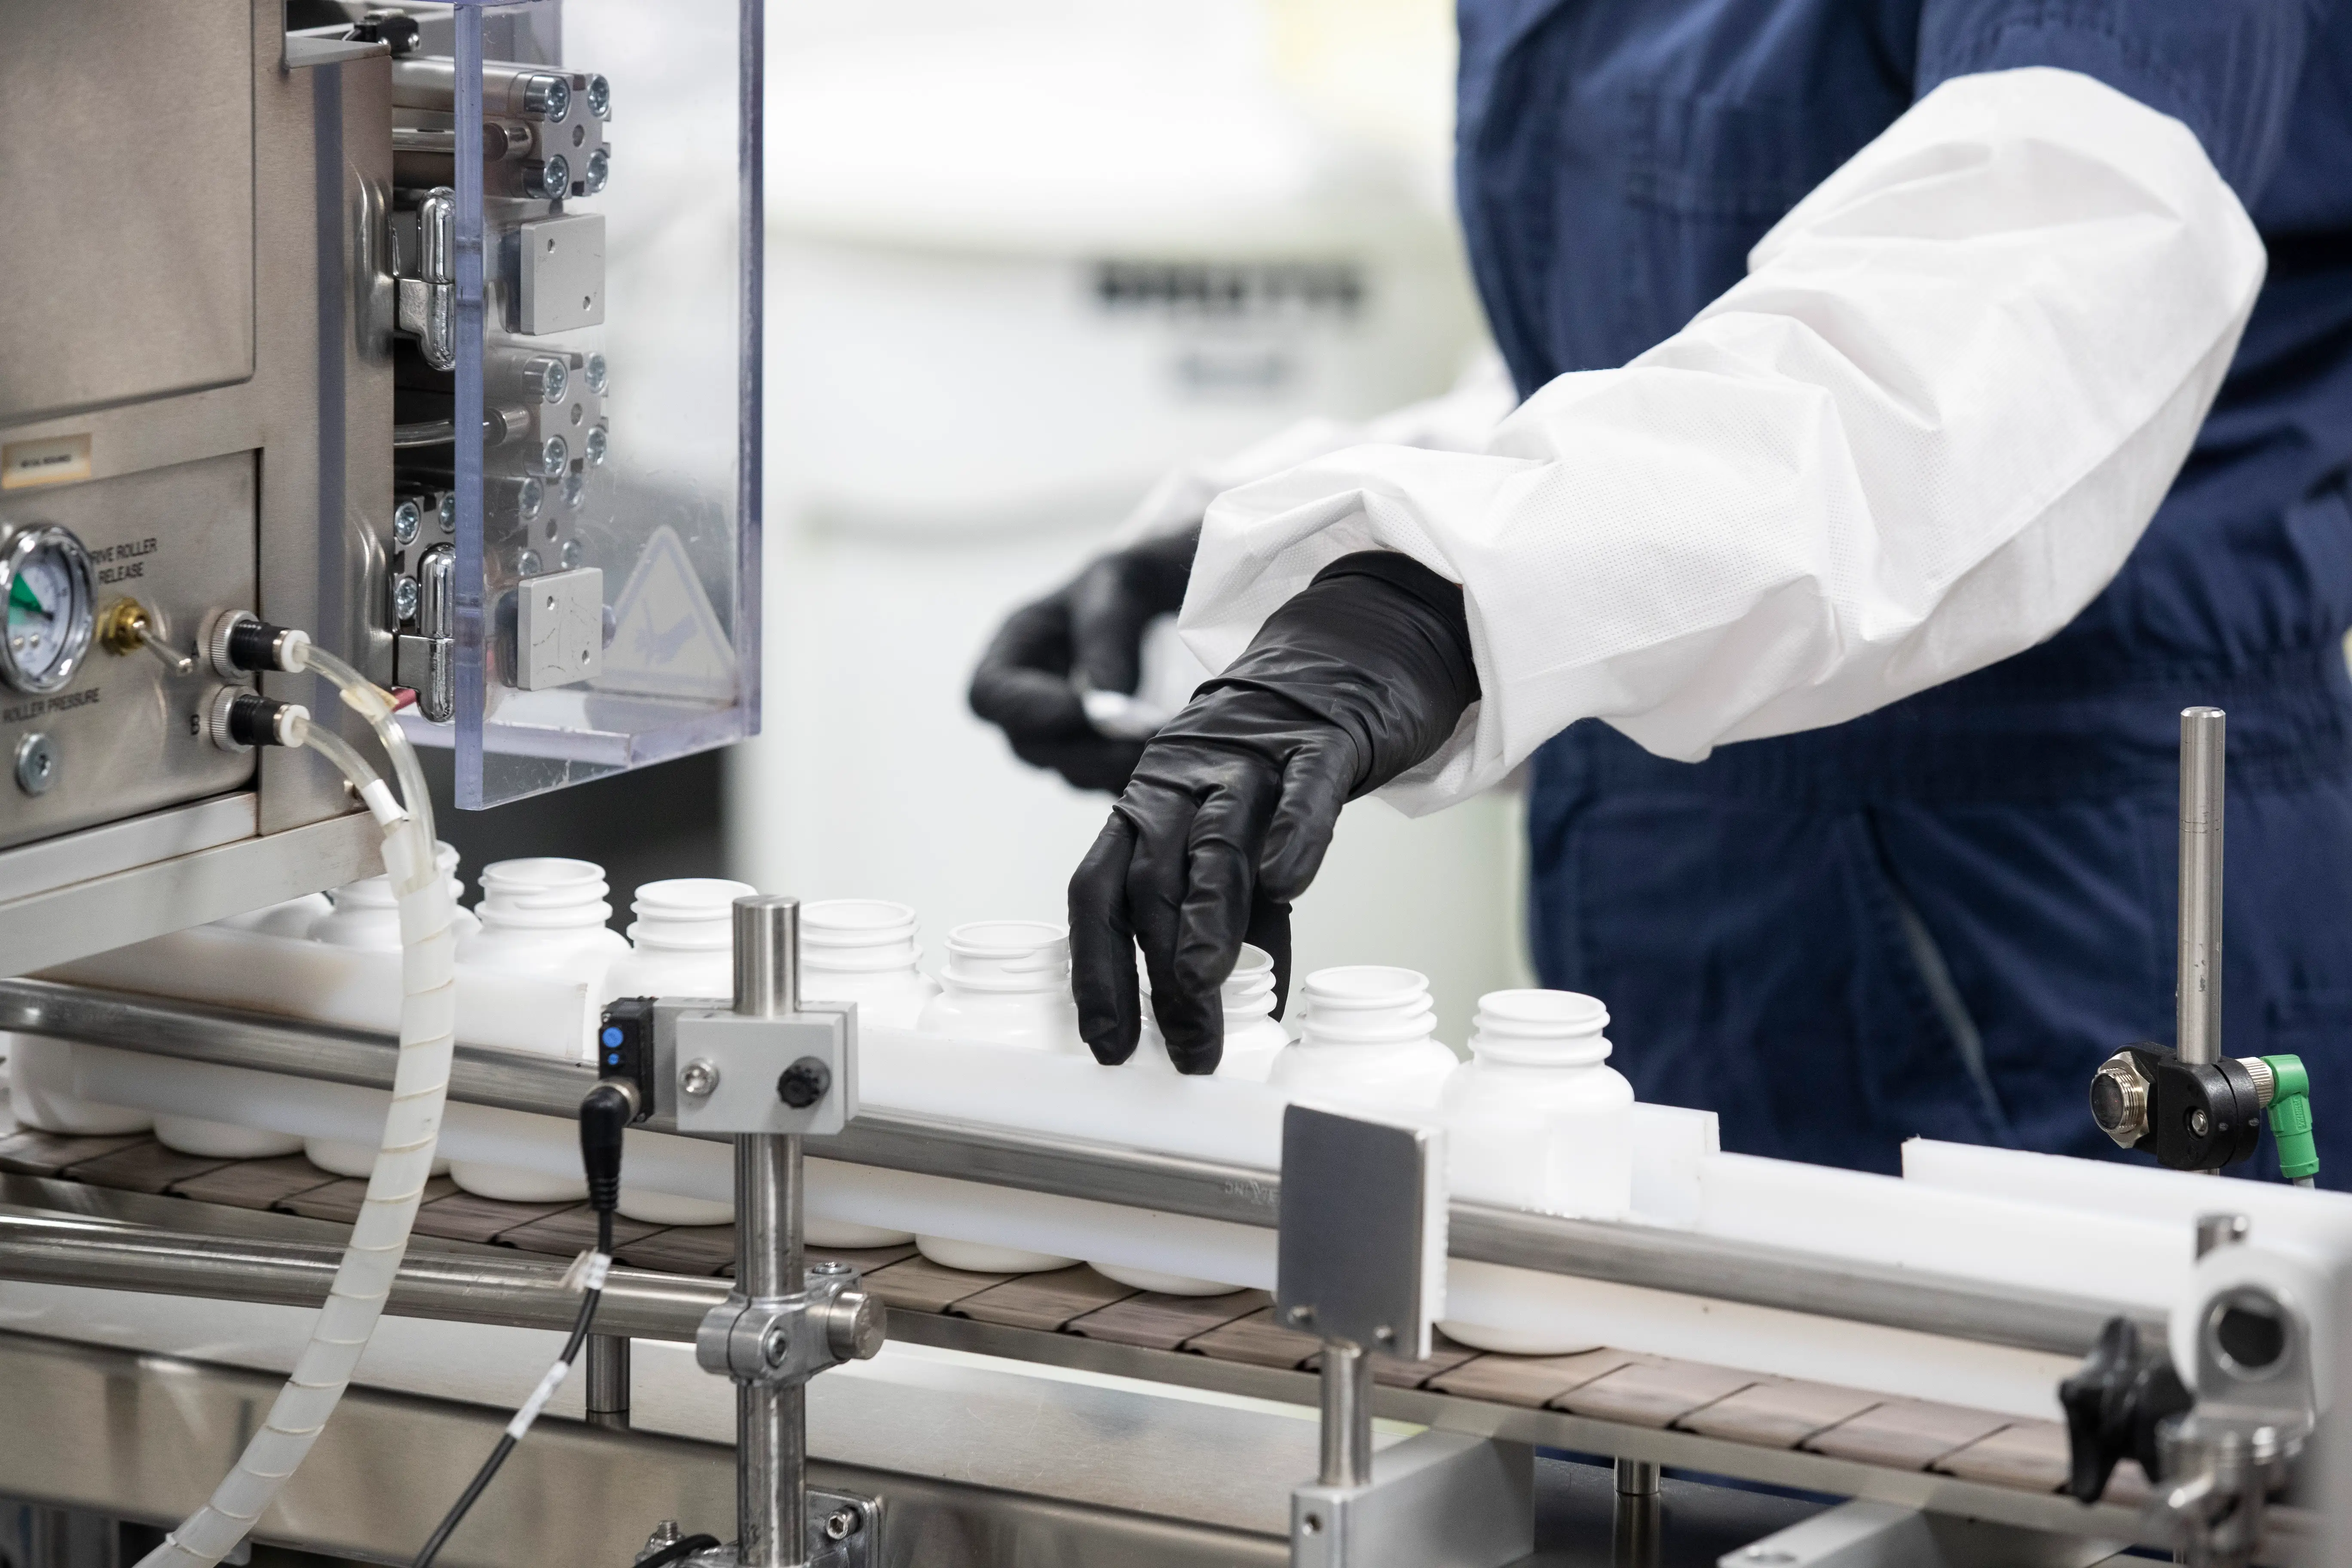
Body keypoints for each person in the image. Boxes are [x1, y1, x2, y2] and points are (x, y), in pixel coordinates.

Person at [970, 2, 2352, 1181]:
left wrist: (1446, 591)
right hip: (1690, 901)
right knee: (1666, 1457)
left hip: (2054, 891)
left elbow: (2015, 316)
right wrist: (1306, 540)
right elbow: (1659, 354)